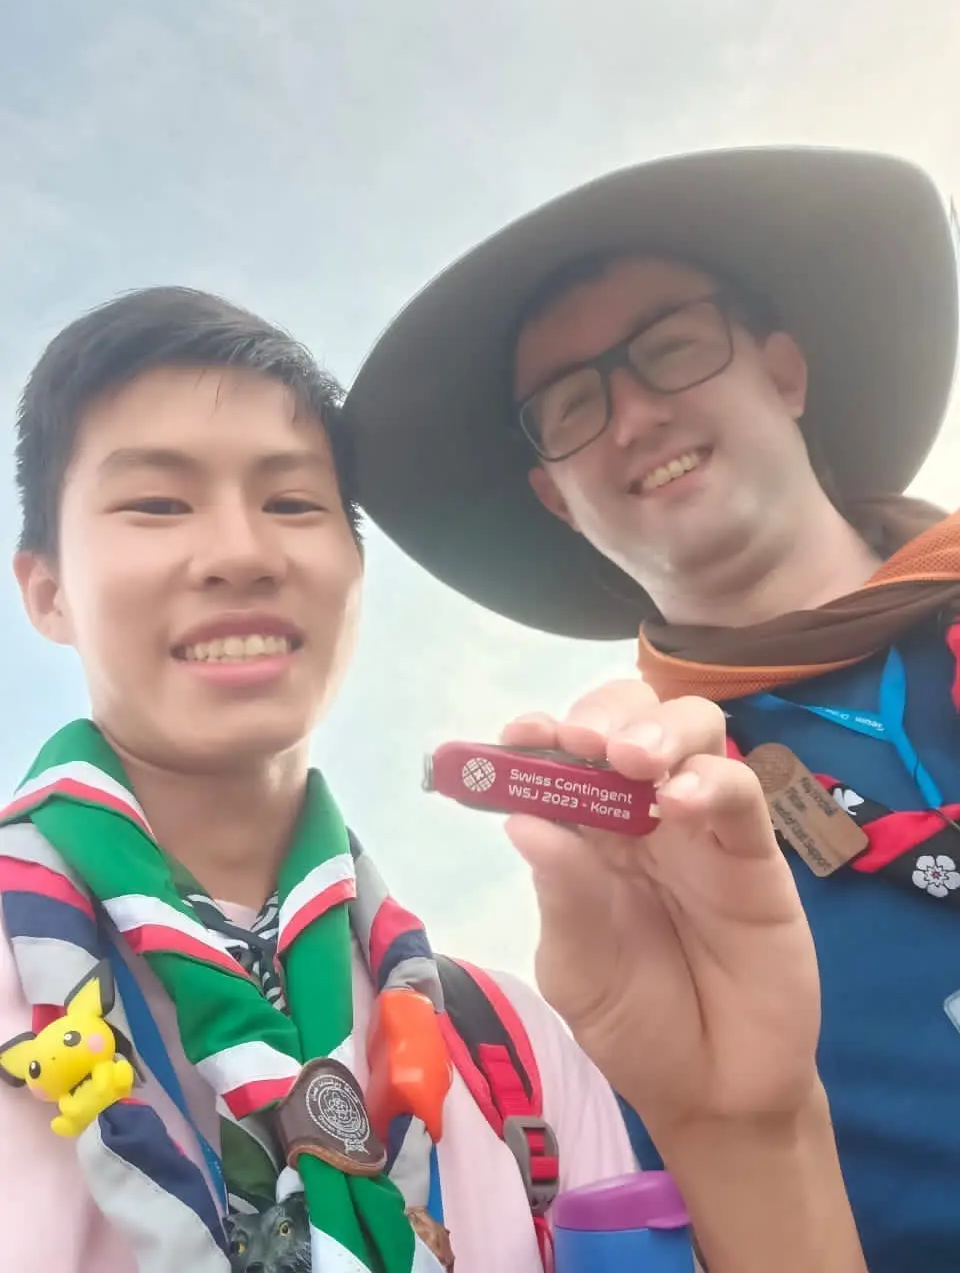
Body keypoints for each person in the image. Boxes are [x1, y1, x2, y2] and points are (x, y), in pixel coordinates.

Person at [0, 285, 866, 1273]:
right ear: (48, 588)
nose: (241, 552)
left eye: (293, 502)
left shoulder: (515, 1047)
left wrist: (748, 1127)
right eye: (156, 502)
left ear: (354, 576)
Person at [345, 144, 960, 1271]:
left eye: (673, 347)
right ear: (555, 499)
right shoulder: (652, 854)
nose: (632, 416)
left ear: (784, 372)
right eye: (574, 405)